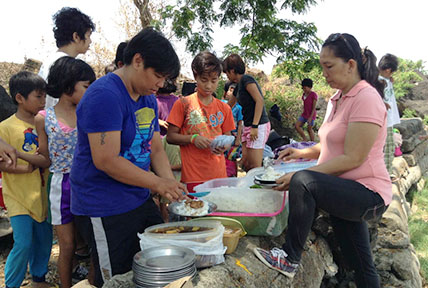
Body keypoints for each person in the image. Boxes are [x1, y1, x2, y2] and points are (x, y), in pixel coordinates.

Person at [253, 33, 392, 288]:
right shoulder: (337, 98)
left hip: (367, 192)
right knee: (360, 263)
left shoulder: (366, 98)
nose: (324, 73)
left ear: (351, 65)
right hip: (343, 190)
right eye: (322, 67)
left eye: (329, 66)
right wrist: (299, 152)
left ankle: (289, 258)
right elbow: (329, 145)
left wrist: (302, 177)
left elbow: (353, 157)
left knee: (304, 181)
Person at [69, 28, 186, 287]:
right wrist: (157, 184)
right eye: (157, 76)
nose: (160, 84)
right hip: (104, 205)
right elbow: (106, 160)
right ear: (137, 61)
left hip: (138, 198)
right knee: (115, 277)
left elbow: (155, 149)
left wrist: (171, 186)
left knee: (158, 263)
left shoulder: (148, 99)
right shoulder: (105, 96)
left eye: (164, 79)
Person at [35, 57, 96, 288]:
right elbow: (45, 157)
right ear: (69, 85)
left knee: (93, 241)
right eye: (86, 87)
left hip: (89, 182)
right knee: (67, 245)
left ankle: (92, 282)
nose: (89, 92)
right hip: (61, 185)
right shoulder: (43, 118)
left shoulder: (90, 113)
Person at [0, 71, 54, 288]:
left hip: (43, 195)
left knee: (43, 241)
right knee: (22, 243)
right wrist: (25, 168)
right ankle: (12, 284)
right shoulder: (6, 128)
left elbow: (48, 158)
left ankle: (38, 279)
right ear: (20, 98)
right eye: (38, 97)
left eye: (44, 97)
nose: (43, 101)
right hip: (18, 196)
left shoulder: (46, 123)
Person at [167, 51, 235, 191]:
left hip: (218, 175)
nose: (209, 86)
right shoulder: (183, 104)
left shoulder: (224, 108)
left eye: (214, 80)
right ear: (195, 76)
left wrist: (224, 146)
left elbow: (229, 137)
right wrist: (193, 139)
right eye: (204, 80)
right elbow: (170, 137)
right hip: (193, 177)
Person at [39, 7, 95, 109]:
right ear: (76, 37)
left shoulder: (51, 60)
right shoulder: (62, 65)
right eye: (88, 35)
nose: (90, 41)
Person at [222, 54, 270, 171]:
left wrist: (255, 126)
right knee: (246, 164)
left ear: (232, 70)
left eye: (227, 73)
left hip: (258, 125)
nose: (227, 76)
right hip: (247, 125)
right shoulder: (239, 86)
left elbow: (259, 100)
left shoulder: (247, 80)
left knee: (254, 167)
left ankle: (260, 186)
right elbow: (229, 106)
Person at [378, 54, 400, 175]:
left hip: (388, 120)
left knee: (389, 147)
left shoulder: (385, 80)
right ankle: (385, 174)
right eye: (392, 73)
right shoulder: (379, 81)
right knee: (387, 148)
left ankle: (386, 172)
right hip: (384, 120)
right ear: (388, 70)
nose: (392, 75)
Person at [222, 81, 243, 177]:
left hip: (234, 137)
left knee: (232, 157)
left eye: (233, 90)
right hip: (222, 136)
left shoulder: (238, 108)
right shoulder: (222, 104)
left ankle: (232, 175)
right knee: (221, 156)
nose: (231, 92)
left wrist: (238, 139)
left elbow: (240, 124)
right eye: (230, 89)